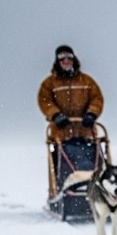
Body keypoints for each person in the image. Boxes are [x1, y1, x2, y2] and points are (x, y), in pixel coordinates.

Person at [37, 45, 105, 192]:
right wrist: (56, 115)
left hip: (86, 132)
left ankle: (98, 188)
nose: (66, 61)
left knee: (94, 160)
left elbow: (97, 99)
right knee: (62, 163)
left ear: (74, 59)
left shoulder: (87, 81)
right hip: (61, 133)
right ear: (57, 61)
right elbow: (45, 100)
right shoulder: (49, 83)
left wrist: (91, 114)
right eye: (62, 58)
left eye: (69, 58)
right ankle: (61, 190)